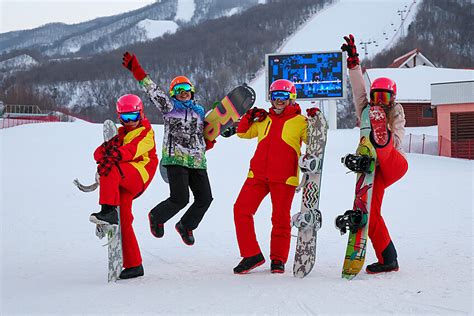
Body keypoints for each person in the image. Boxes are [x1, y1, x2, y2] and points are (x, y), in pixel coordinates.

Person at [121, 52, 214, 246]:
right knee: (180, 199)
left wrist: (209, 143)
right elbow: (151, 89)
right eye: (178, 89)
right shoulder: (170, 107)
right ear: (173, 93)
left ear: (192, 90)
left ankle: (186, 225)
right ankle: (156, 216)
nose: (183, 91)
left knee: (205, 198)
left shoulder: (199, 112)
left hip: (197, 160)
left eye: (187, 88)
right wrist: (137, 70)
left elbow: (202, 135)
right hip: (176, 159)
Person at [341, 34, 408, 274]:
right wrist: (353, 63)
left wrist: (386, 136)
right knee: (370, 213)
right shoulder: (366, 109)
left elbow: (399, 141)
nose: (380, 101)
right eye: (376, 96)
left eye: (385, 97)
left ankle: (380, 140)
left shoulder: (396, 112)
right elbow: (358, 87)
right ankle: (389, 258)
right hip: (374, 170)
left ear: (393, 99)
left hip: (394, 162)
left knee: (386, 145)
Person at [233, 79, 314, 274]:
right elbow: (242, 132)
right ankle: (251, 254)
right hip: (258, 175)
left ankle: (278, 259)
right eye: (275, 96)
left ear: (291, 98)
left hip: (284, 177)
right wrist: (250, 116)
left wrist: (316, 123)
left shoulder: (300, 122)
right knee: (241, 210)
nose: (279, 100)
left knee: (279, 219)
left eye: (283, 97)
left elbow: (313, 142)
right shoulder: (264, 120)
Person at [89, 94, 158, 279]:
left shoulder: (146, 132)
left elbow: (133, 150)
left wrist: (113, 155)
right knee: (125, 219)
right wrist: (107, 150)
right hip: (123, 178)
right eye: (125, 118)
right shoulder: (121, 135)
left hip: (139, 174)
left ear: (141, 114)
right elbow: (97, 154)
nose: (130, 122)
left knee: (111, 168)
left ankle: (107, 210)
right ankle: (135, 265)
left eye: (133, 117)